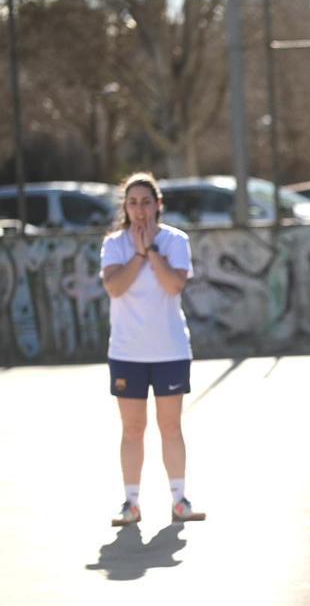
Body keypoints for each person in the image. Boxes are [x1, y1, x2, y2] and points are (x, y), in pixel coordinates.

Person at [100, 172, 205, 526]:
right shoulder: (114, 244)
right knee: (132, 429)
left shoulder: (175, 241)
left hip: (170, 351)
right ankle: (130, 503)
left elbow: (174, 285)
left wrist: (152, 252)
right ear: (125, 207)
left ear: (158, 205)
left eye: (146, 202)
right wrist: (137, 255)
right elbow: (115, 288)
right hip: (127, 352)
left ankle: (180, 501)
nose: (140, 210)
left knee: (170, 426)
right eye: (133, 203)